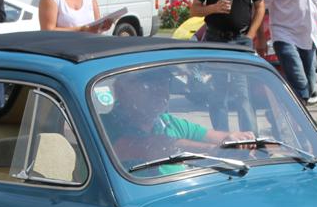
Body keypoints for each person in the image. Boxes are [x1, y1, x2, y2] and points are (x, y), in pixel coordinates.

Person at [102, 69, 254, 176]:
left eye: (164, 83)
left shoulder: (168, 122)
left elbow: (214, 136)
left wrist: (237, 139)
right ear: (121, 89)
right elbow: (153, 147)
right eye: (149, 83)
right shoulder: (105, 125)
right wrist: (213, 150)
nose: (161, 91)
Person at [189, 0, 266, 132]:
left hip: (240, 39)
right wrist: (213, 8)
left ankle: (251, 140)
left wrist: (251, 35)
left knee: (243, 93)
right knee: (218, 93)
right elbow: (194, 9)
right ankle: (223, 138)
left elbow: (260, 6)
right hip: (215, 40)